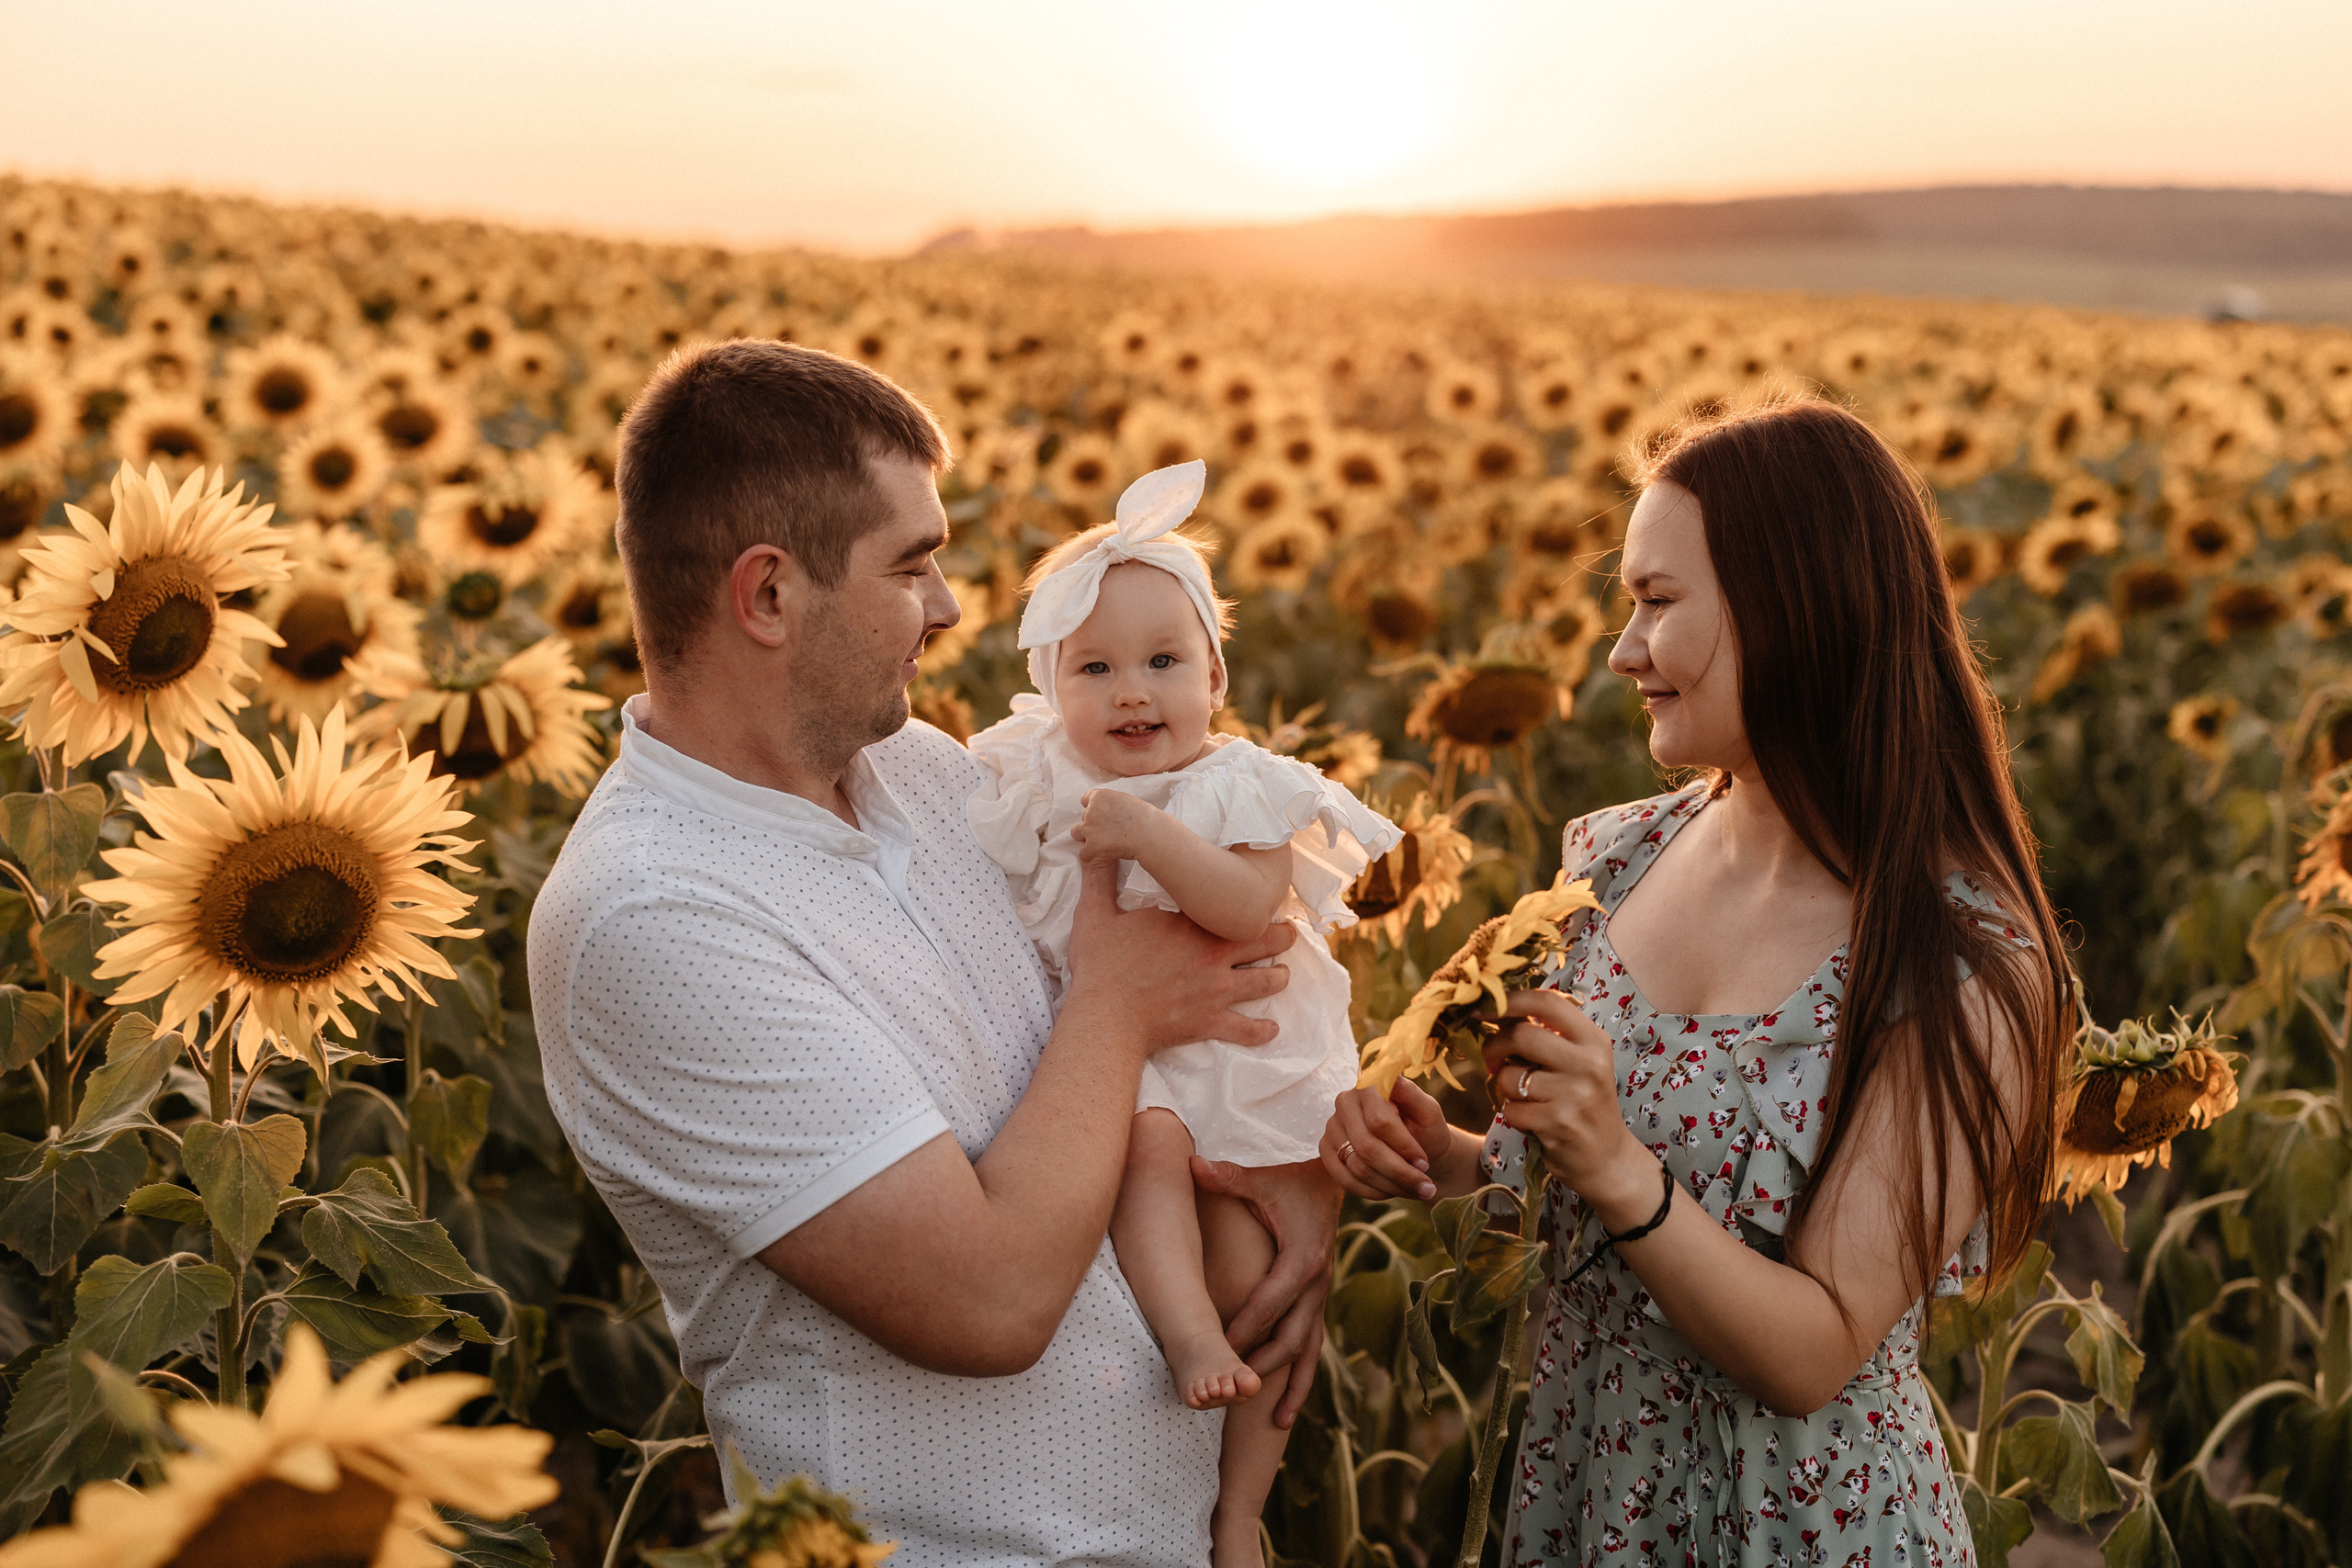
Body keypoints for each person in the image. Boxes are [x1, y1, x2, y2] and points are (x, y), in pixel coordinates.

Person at [527, 340, 1340, 1568]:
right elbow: (991, 1298)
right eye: (913, 566)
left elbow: (1193, 1022)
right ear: (768, 595)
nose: (953, 606)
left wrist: (1290, 1203)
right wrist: (1119, 1007)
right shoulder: (654, 920)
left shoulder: (931, 773)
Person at [1321, 399, 2071, 1564]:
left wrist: (1613, 1161)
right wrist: (1450, 1163)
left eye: (1655, 604)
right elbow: (1584, 1222)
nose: (1621, 652)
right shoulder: (1618, 859)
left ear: (1793, 612)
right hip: (1589, 1494)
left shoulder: (1959, 957)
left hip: (1797, 1528)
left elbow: (1810, 1349)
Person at [966, 461, 1400, 1568]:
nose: (1130, 693)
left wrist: (1146, 836)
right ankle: (1185, 1339)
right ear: (1046, 683)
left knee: (1266, 1277)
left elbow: (1248, 902)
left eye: (1163, 662)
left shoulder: (1239, 784)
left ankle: (1239, 1511)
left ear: (1213, 671)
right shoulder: (1032, 775)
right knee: (1149, 1161)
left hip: (1251, 1062)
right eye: (1093, 668)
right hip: (1144, 1060)